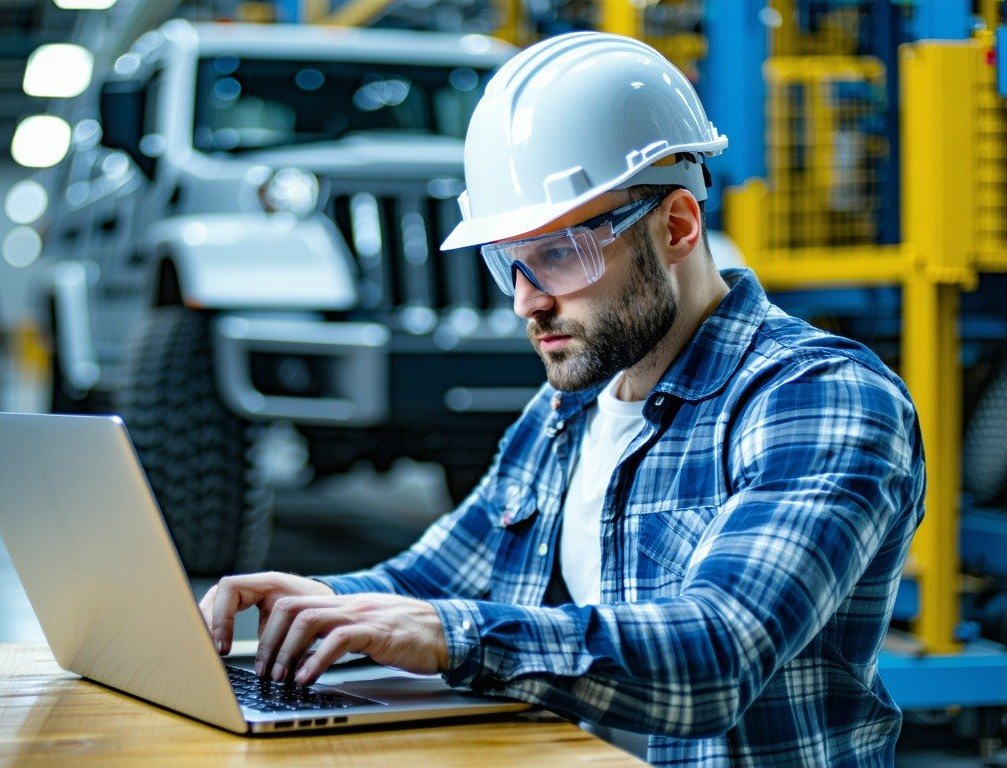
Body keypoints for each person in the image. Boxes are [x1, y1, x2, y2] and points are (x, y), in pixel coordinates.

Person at [200, 31, 924, 768]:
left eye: (557, 255)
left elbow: (717, 653)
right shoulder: (569, 410)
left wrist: (453, 634)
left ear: (676, 226)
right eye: (507, 263)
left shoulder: (818, 399)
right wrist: (308, 603)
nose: (525, 303)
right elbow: (431, 581)